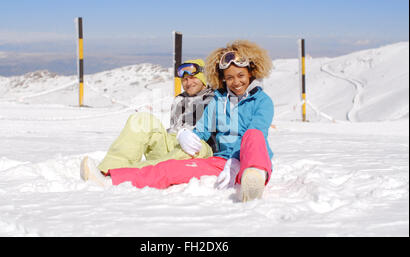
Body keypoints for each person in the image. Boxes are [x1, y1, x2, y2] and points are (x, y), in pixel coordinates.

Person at [84, 40, 274, 202]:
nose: (236, 82)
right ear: (223, 80)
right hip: (219, 161)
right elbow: (202, 130)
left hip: (250, 156)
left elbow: (258, 132)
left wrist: (236, 160)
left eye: (241, 75)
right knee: (169, 169)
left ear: (251, 73)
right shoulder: (216, 100)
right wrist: (185, 135)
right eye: (229, 78)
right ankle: (112, 176)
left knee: (253, 134)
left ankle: (254, 177)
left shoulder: (262, 101)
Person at [80, 59, 215, 186]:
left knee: (191, 147)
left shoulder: (215, 99)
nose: (188, 82)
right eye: (184, 79)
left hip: (200, 146)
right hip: (174, 142)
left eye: (193, 77)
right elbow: (176, 127)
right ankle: (107, 170)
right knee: (142, 120)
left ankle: (119, 175)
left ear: (203, 78)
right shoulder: (180, 100)